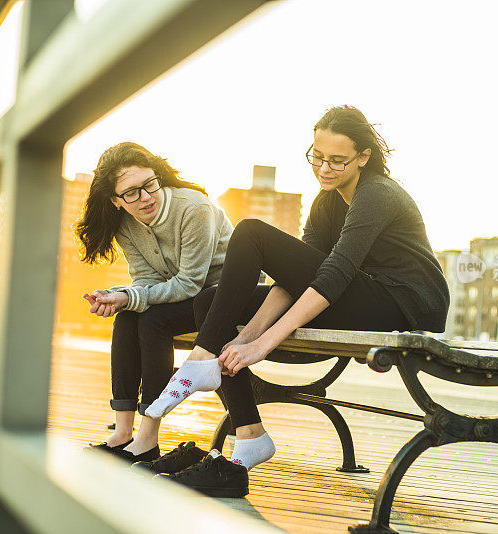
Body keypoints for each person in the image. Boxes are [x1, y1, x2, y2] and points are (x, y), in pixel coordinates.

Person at [143, 106, 450, 496]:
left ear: (364, 157)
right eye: (317, 157)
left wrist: (262, 344)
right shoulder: (327, 200)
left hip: (401, 303)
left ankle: (202, 359)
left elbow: (333, 276)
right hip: (360, 292)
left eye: (337, 160)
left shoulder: (377, 194)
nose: (324, 168)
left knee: (252, 232)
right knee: (211, 303)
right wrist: (245, 337)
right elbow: (293, 279)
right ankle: (250, 435)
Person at [75, 142, 233, 465]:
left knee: (151, 321)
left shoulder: (194, 209)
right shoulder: (126, 225)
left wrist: (130, 297)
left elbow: (191, 282)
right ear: (116, 201)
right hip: (187, 299)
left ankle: (147, 438)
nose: (146, 197)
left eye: (149, 184)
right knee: (127, 317)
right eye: (131, 193)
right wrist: (118, 298)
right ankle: (122, 433)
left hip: (221, 300)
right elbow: (146, 282)